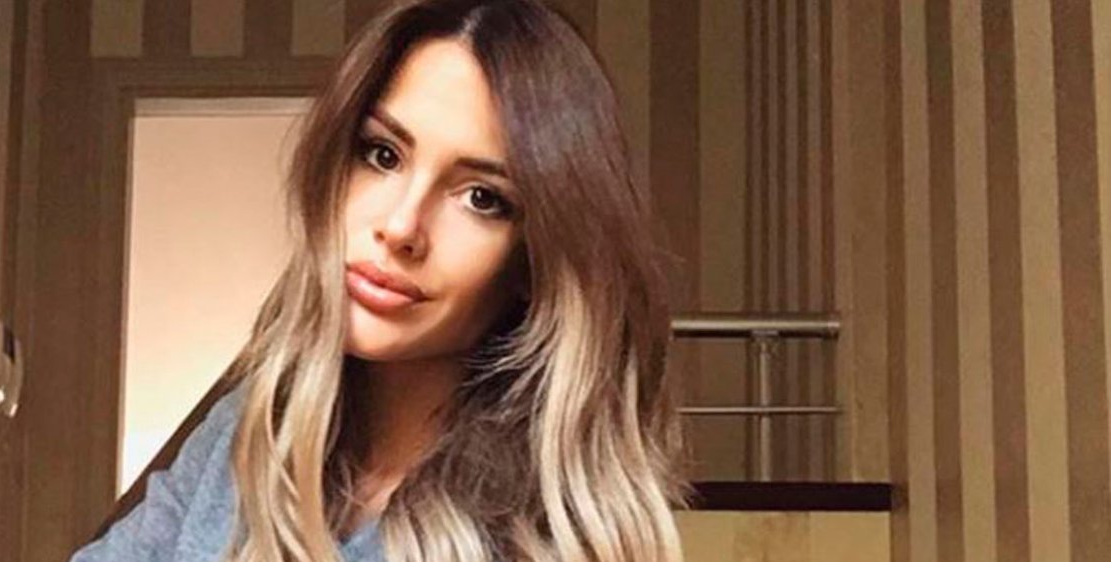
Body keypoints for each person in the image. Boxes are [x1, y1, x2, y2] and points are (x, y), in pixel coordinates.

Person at [71, 0, 685, 560]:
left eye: (482, 197)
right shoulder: (252, 428)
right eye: (383, 154)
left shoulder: (545, 539)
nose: (400, 226)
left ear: (534, 260)